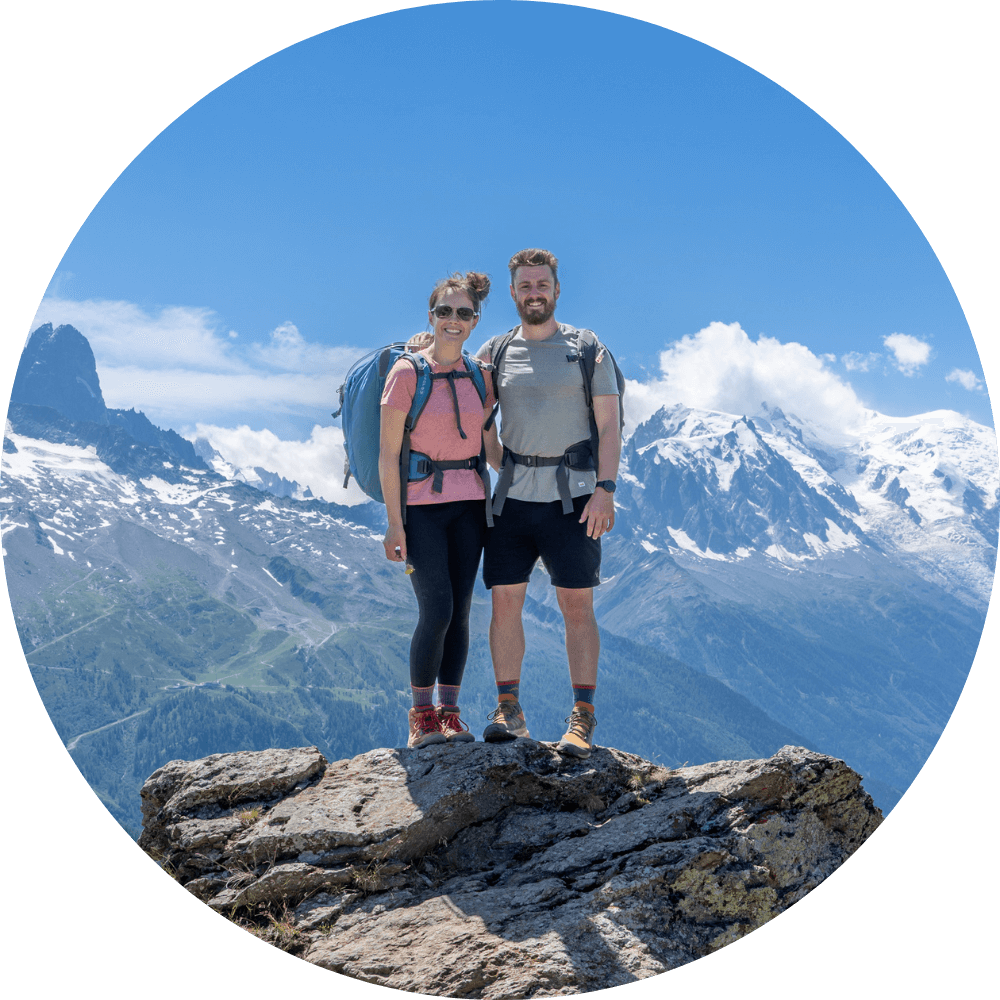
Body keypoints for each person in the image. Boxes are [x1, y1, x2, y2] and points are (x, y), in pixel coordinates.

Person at [476, 249, 620, 759]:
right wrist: (499, 462)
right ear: (513, 294)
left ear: (556, 290)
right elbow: (473, 414)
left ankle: (582, 717)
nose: (533, 293)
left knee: (576, 605)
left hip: (576, 499)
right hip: (512, 499)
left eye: (542, 285)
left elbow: (609, 424)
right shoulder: (494, 353)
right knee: (504, 602)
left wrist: (606, 489)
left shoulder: (585, 348)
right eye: (524, 286)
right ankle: (508, 709)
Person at [379, 272, 495, 748]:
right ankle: (421, 717)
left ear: (475, 320)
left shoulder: (481, 375)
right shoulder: (407, 374)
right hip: (421, 509)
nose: (453, 320)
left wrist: (546, 471)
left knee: (462, 612)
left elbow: (492, 448)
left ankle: (450, 714)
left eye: (463, 313)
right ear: (431, 317)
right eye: (444, 312)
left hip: (470, 505)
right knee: (438, 609)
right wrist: (393, 523)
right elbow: (388, 454)